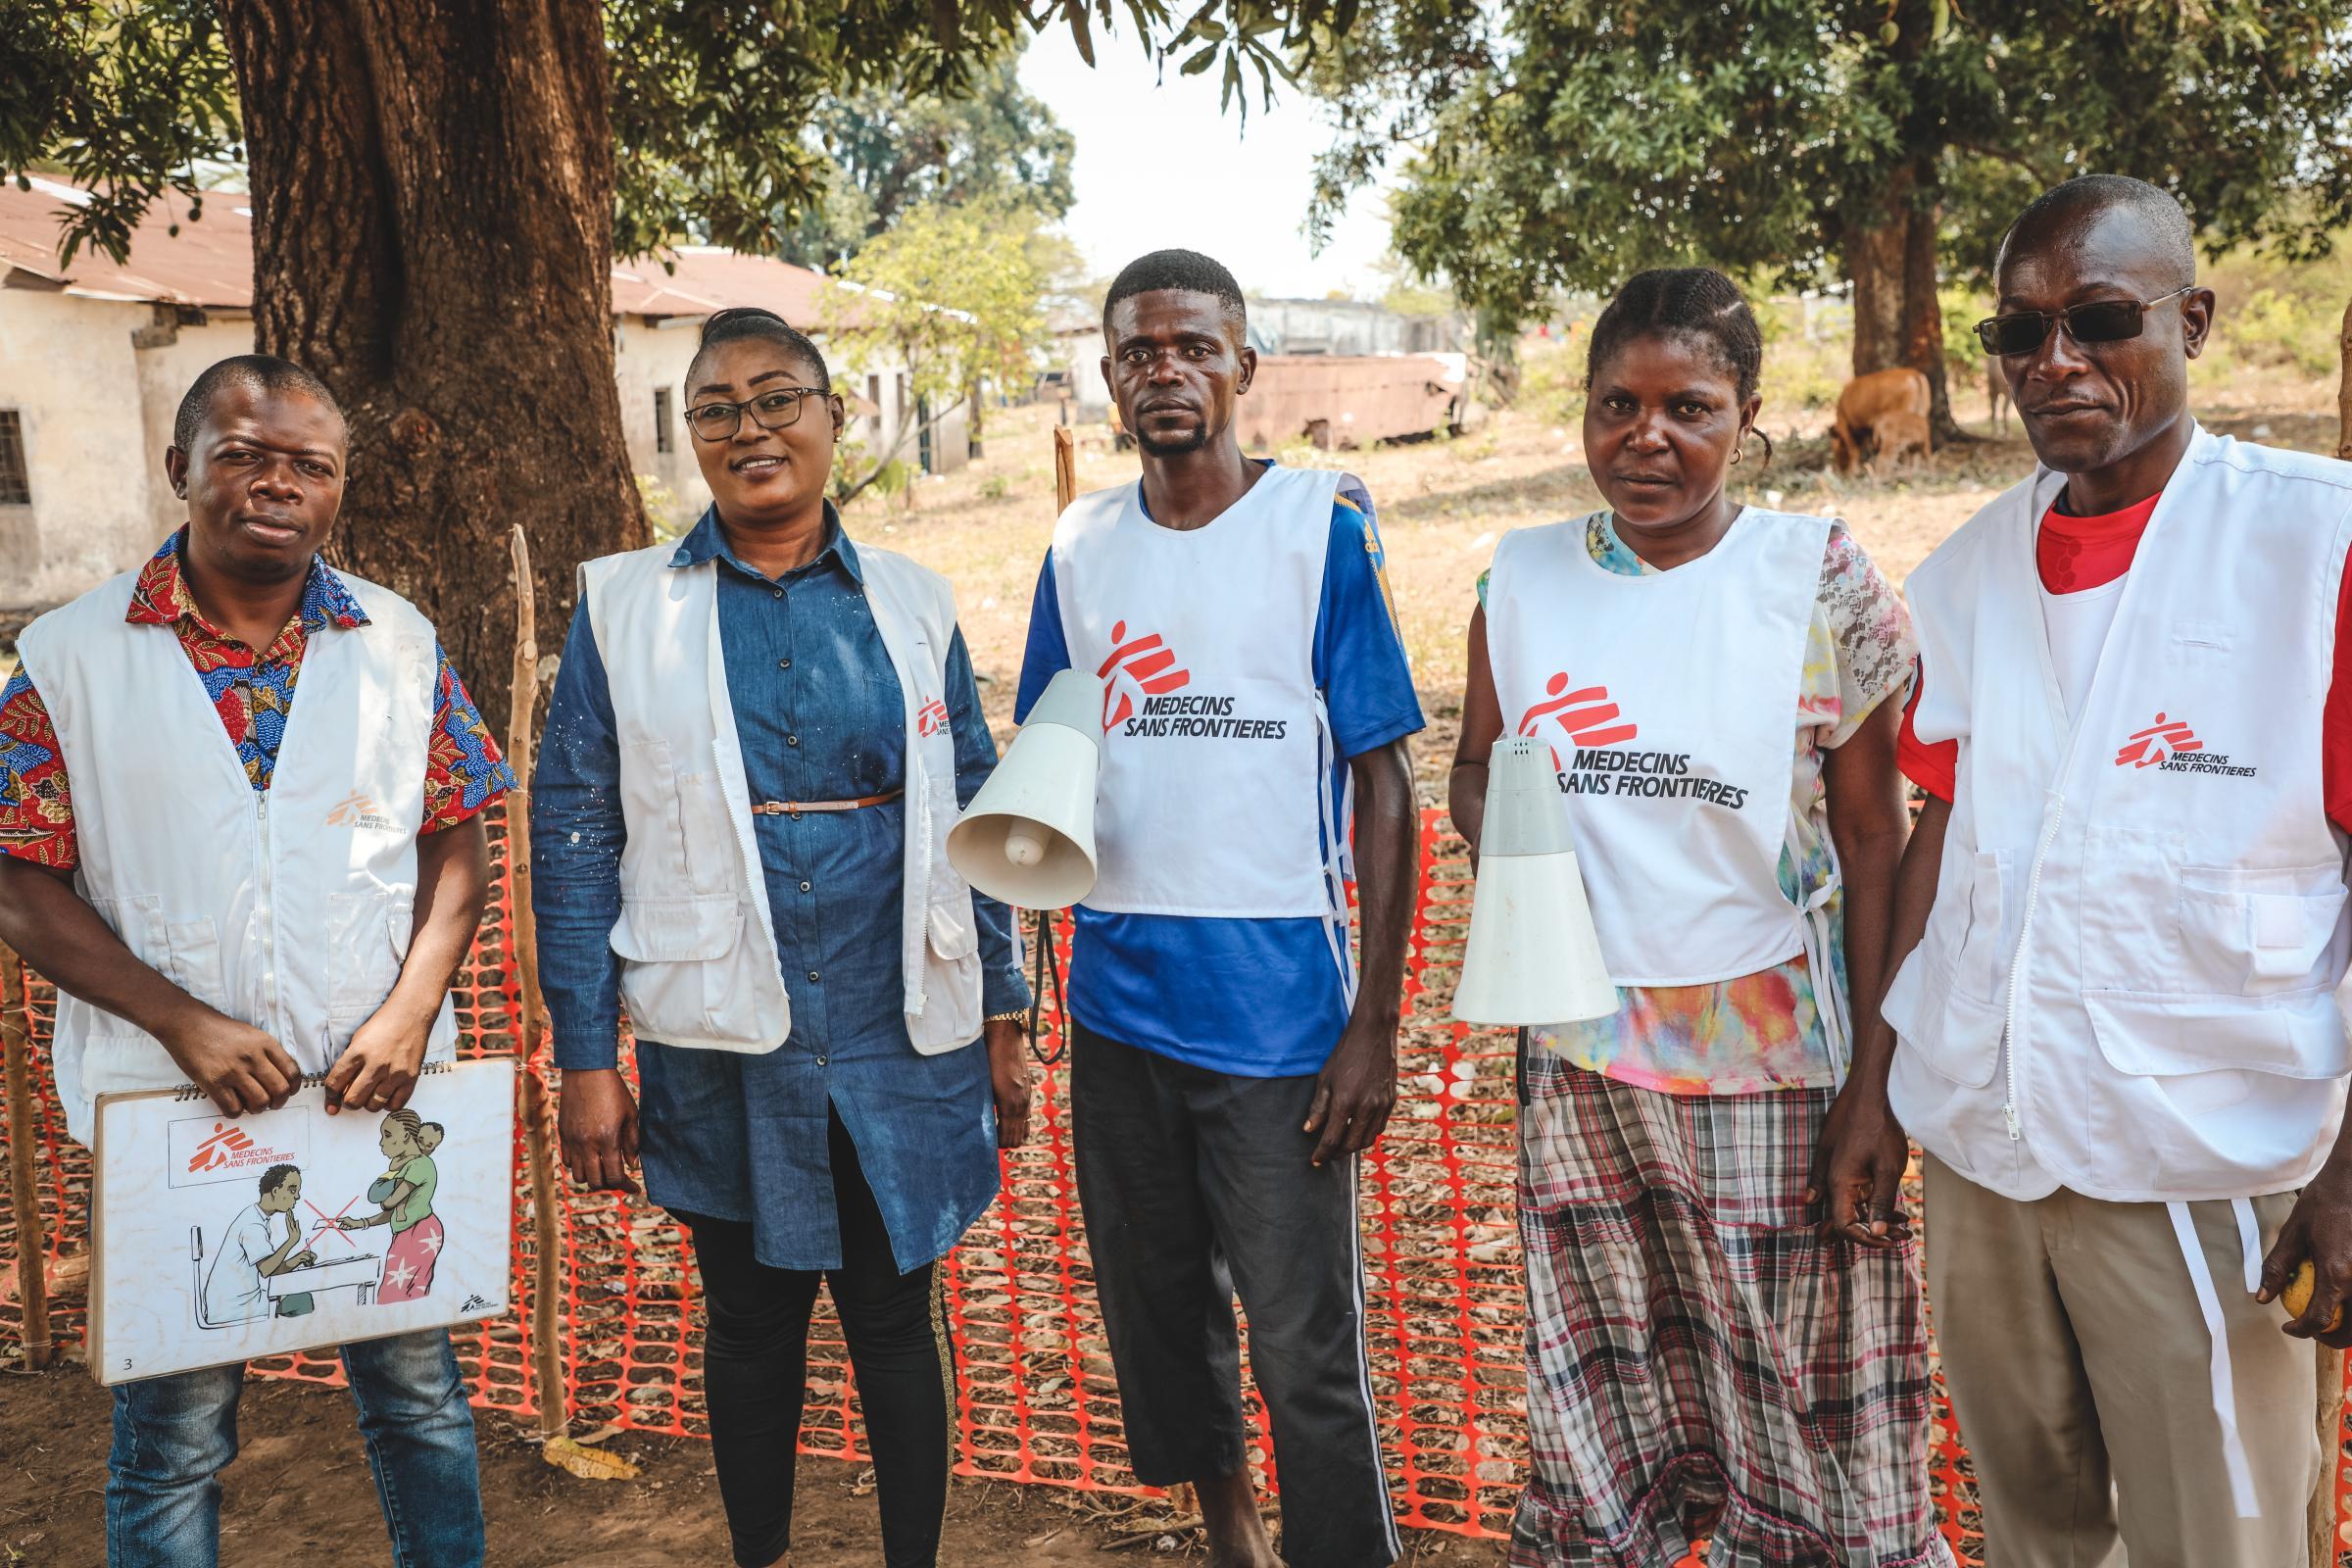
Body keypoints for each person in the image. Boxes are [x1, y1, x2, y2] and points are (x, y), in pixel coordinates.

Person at [1820, 172, 2352, 1567]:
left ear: (2194, 317)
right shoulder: (1966, 571)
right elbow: (1939, 834)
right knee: (2033, 1527)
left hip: (2201, 1161)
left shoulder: (2316, 546)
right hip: (1987, 1150)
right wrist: (1876, 1082)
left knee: (2220, 1537)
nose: (2054, 361)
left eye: (2101, 319)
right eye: (2019, 332)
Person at [1451, 268, 1943, 1567]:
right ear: (1586, 410)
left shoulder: (1814, 575)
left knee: (1801, 1378)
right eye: (1618, 403)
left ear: (1749, 416)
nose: (1647, 437)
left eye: (1691, 407)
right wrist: (1529, 850)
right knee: (1612, 1372)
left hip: (1775, 1065)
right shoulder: (1524, 581)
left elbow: (1876, 833)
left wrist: (1875, 1086)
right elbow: (1473, 766)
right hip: (1581, 1060)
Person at [535, 306, 1033, 1568]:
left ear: (832, 417)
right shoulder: (623, 607)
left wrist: (1003, 1011)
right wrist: (585, 1056)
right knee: (748, 1321)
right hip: (723, 1023)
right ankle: (761, 1554)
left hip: (896, 1017)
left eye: (777, 399)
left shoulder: (914, 604)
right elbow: (578, 828)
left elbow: (975, 806)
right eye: (716, 408)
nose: (749, 429)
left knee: (891, 1313)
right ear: (689, 436)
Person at [0, 354, 509, 1568]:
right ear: (180, 469)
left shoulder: (399, 639)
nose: (276, 482)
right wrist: (180, 1021)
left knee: (423, 1404)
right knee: (174, 1427)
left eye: (309, 465)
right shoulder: (69, 657)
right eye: (243, 454)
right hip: (168, 1106)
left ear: (338, 491)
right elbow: (20, 879)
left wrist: (410, 1009)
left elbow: (458, 849)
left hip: (371, 1098)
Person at [1014, 249, 1422, 1568]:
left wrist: (1375, 1024)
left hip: (1282, 1019)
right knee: (1156, 1308)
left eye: (1194, 346)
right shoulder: (1079, 550)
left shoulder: (1320, 528)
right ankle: (1229, 1530)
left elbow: (1386, 779)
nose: (1166, 370)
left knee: (1306, 1342)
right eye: (1139, 351)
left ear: (1245, 367)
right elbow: (1046, 764)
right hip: (1121, 1004)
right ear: (1110, 375)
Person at [336, 1110, 447, 1301]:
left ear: (405, 1136)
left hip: (419, 1232)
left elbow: (389, 1203)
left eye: (387, 1135)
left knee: (396, 1294)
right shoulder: (409, 1166)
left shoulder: (419, 1165)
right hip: (412, 1231)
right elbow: (391, 1210)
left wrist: (392, 1177)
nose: (381, 1142)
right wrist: (360, 1223)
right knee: (405, 1291)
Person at [202, 1164, 316, 1326]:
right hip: (234, 1308)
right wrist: (291, 1241)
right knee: (307, 1300)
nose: (297, 1196)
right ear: (275, 1191)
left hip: (242, 1301)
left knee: (298, 1297)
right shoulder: (253, 1225)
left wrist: (298, 1259)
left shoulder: (256, 1216)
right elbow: (266, 1270)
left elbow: (271, 1267)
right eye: (292, 1190)